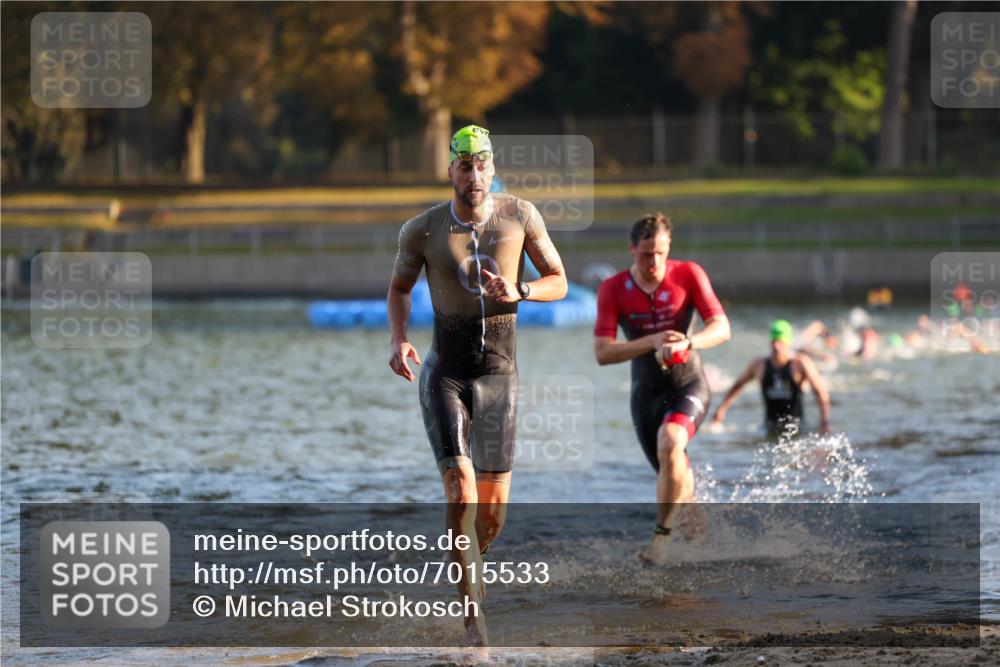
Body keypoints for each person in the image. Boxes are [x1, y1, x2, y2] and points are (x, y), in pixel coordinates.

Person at [387, 125, 567, 645]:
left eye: (481, 163)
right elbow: (399, 288)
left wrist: (521, 289)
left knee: (490, 515)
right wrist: (399, 339)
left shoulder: (520, 215)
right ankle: (474, 625)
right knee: (459, 490)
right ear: (450, 171)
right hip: (446, 372)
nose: (473, 174)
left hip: (500, 378)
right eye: (463, 165)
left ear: (492, 167)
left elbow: (559, 279)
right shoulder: (422, 230)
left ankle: (468, 561)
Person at [593, 213, 730, 565]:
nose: (654, 262)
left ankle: (660, 543)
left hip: (688, 383)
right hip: (646, 394)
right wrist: (651, 340)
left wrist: (688, 341)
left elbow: (721, 327)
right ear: (632, 250)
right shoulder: (613, 289)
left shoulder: (688, 274)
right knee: (674, 473)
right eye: (646, 254)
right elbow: (603, 353)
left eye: (661, 253)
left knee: (671, 441)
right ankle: (700, 550)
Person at [711, 319, 832, 437]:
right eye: (774, 342)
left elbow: (821, 393)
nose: (776, 347)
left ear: (789, 342)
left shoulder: (800, 364)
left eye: (780, 342)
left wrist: (824, 421)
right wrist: (721, 409)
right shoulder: (759, 365)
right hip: (769, 429)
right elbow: (738, 385)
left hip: (797, 430)